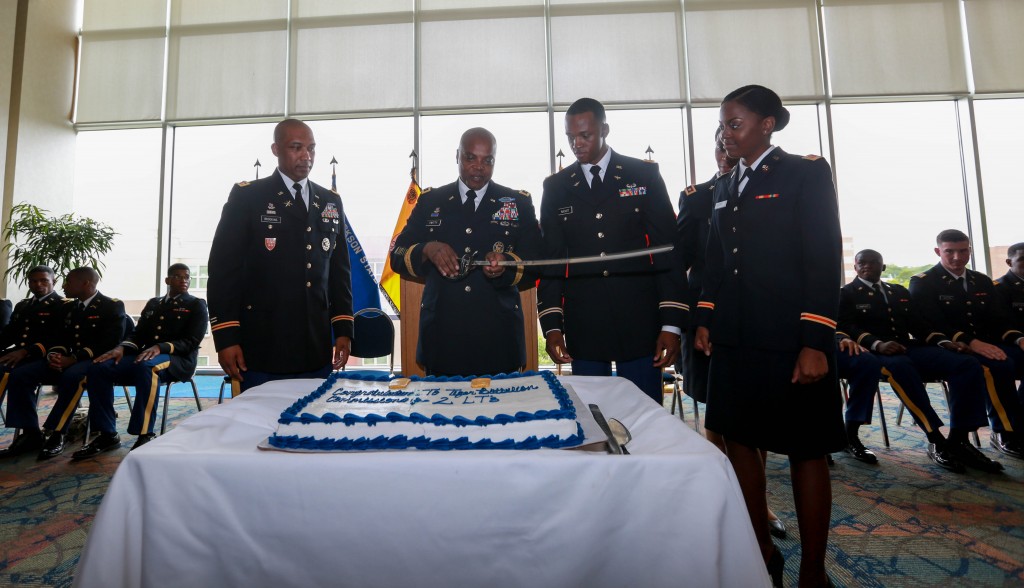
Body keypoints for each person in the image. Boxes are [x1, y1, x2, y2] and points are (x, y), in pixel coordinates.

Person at [693, 85, 843, 588]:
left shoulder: (804, 173)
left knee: (806, 448)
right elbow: (716, 261)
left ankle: (814, 571)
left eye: (734, 124)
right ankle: (759, 549)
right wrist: (707, 319)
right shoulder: (722, 185)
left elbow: (824, 256)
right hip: (736, 338)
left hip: (791, 339)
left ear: (767, 125)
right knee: (739, 440)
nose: (725, 133)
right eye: (723, 125)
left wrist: (815, 340)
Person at [537, 97, 686, 404]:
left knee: (646, 418)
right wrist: (552, 326)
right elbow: (552, 262)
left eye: (585, 135)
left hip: (641, 322)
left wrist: (671, 324)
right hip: (585, 325)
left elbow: (667, 252)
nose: (576, 144)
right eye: (570, 137)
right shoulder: (556, 187)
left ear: (604, 129)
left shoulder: (642, 175)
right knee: (593, 419)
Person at [679, 129, 787, 538]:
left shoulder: (772, 186)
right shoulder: (695, 196)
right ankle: (721, 493)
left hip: (757, 317)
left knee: (755, 413)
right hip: (707, 317)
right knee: (715, 407)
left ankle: (757, 502)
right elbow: (683, 260)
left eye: (731, 144)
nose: (726, 152)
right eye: (719, 146)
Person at [207, 118, 353, 391]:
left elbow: (339, 271)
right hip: (264, 346)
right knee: (258, 429)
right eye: (296, 147)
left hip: (315, 346)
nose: (306, 156)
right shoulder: (249, 197)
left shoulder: (330, 201)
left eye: (311, 148)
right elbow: (224, 270)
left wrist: (343, 329)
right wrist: (226, 337)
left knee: (311, 425)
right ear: (275, 149)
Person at [389, 128, 541, 376]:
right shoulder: (430, 201)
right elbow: (397, 254)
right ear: (457, 156)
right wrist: (428, 249)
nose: (479, 167)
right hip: (442, 340)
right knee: (442, 415)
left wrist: (506, 264)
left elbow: (536, 261)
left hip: (498, 340)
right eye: (471, 158)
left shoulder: (517, 203)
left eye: (487, 160)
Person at [836, 249, 995, 473]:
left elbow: (918, 324)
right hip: (874, 352)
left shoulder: (897, 291)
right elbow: (846, 326)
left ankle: (959, 439)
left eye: (874, 263)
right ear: (855, 267)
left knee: (965, 363)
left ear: (883, 267)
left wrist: (943, 342)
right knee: (902, 368)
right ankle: (937, 440)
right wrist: (876, 344)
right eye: (862, 263)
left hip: (905, 346)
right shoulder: (846, 293)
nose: (867, 266)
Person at [908, 229, 1024, 461]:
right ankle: (1003, 432)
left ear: (969, 250)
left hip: (982, 344)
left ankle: (1012, 427)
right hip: (943, 346)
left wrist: (1018, 338)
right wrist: (972, 341)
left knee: (1006, 359)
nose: (957, 257)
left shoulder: (980, 280)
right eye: (949, 251)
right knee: (992, 365)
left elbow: (997, 319)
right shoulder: (923, 282)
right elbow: (930, 323)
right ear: (938, 251)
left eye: (962, 251)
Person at [73, 264, 209, 460]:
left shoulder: (196, 304)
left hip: (178, 359)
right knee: (99, 368)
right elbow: (138, 334)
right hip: (146, 355)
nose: (184, 280)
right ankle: (107, 434)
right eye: (178, 276)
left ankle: (145, 434)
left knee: (148, 368)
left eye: (186, 277)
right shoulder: (154, 304)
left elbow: (192, 341)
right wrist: (121, 348)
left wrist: (160, 347)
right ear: (168, 281)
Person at [0, 267, 125, 460]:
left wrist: (73, 358)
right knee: (21, 374)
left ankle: (57, 433)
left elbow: (109, 342)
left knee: (72, 376)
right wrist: (55, 355)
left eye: (68, 282)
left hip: (94, 359)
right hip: (67, 358)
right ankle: (30, 433)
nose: (64, 285)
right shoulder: (68, 307)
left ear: (85, 283)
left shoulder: (111, 306)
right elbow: (58, 337)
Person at [0, 266, 67, 457]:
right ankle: (29, 432)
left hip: (46, 357)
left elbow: (60, 338)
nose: (38, 284)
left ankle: (30, 433)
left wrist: (26, 351)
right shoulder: (23, 306)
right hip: (20, 355)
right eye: (34, 281)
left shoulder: (63, 305)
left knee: (19, 376)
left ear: (53, 281)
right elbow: (9, 334)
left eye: (44, 280)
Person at [994, 242, 1024, 404]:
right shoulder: (998, 288)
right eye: (1022, 259)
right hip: (1008, 343)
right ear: (1009, 262)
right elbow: (1000, 324)